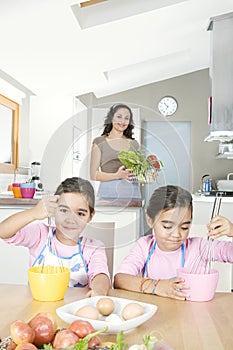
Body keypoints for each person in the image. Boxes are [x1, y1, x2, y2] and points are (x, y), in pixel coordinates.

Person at [114, 185, 233, 300]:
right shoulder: (145, 246)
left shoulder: (199, 247)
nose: (177, 235)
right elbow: (120, 279)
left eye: (184, 227)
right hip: (157, 314)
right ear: (150, 220)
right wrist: (157, 286)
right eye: (167, 226)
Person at [0, 177, 110, 297]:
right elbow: (3, 231)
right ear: (53, 209)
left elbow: (100, 274)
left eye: (80, 213)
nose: (70, 219)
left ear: (90, 216)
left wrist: (99, 291)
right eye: (63, 210)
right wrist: (34, 213)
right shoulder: (40, 235)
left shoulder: (93, 248)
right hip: (38, 308)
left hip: (74, 310)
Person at [90, 103, 141, 199]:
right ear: (111, 118)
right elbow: (94, 174)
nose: (123, 121)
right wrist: (117, 175)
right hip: (108, 194)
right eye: (119, 117)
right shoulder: (99, 142)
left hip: (132, 194)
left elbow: (138, 171)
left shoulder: (134, 144)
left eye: (126, 118)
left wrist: (147, 173)